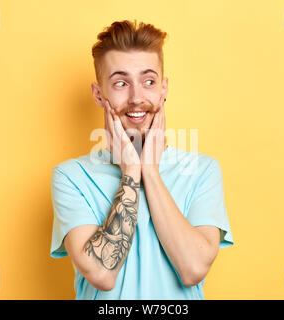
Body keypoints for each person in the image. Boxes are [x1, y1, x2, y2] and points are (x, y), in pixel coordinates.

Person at [50, 20, 234, 299]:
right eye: (121, 83)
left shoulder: (202, 170)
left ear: (163, 89)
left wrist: (150, 170)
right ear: (99, 94)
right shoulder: (71, 176)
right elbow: (101, 273)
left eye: (148, 81)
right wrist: (131, 173)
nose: (137, 98)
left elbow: (193, 269)